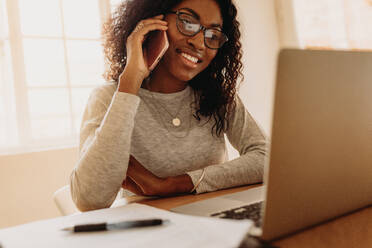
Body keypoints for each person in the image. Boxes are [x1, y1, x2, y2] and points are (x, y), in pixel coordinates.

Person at [70, 0, 268, 212]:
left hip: (214, 222)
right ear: (152, 21)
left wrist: (177, 184)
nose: (200, 43)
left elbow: (266, 158)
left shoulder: (218, 97)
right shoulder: (110, 98)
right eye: (188, 23)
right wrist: (130, 82)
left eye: (212, 34)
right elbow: (90, 200)